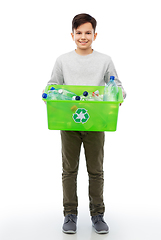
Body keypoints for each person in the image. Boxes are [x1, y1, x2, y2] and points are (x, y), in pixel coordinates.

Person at [46, 13, 126, 234]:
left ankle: (97, 214)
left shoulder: (105, 60)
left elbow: (117, 86)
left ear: (95, 34)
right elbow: (53, 85)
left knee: (96, 171)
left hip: (96, 123)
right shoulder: (62, 60)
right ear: (72, 35)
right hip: (69, 123)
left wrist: (119, 97)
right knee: (69, 170)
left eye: (88, 32)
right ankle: (69, 214)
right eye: (79, 33)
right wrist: (47, 93)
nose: (83, 37)